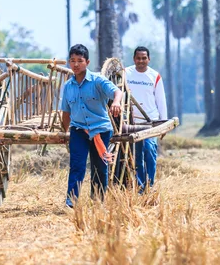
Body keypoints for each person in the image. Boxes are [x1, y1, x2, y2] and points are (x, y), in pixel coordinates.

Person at [61, 44, 122, 207]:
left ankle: (98, 201)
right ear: (69, 62)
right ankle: (71, 201)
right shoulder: (68, 86)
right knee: (77, 165)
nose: (75, 64)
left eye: (79, 61)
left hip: (100, 130)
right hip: (78, 130)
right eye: (72, 61)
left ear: (87, 62)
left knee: (99, 167)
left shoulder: (97, 81)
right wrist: (64, 133)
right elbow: (66, 113)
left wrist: (116, 102)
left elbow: (117, 92)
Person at [125, 46, 167, 190]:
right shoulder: (126, 73)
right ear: (134, 59)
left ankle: (150, 184)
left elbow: (161, 100)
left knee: (149, 151)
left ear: (148, 59)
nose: (141, 61)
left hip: (151, 122)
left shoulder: (155, 76)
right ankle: (141, 187)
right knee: (136, 156)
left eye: (144, 58)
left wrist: (164, 122)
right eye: (138, 58)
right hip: (132, 123)